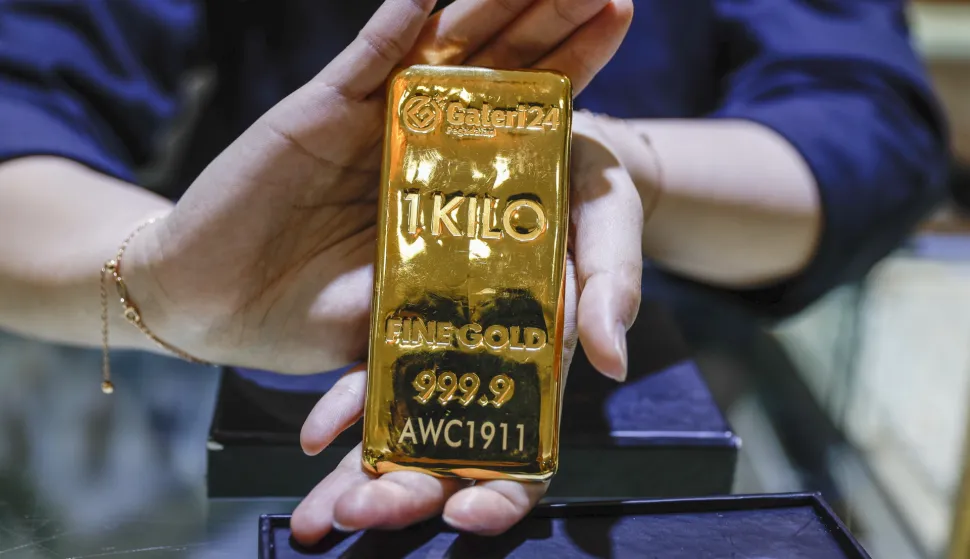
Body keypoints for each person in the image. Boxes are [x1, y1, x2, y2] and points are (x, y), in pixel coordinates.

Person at [0, 0, 948, 546]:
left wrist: (630, 168)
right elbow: (24, 88)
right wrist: (161, 281)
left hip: (664, 392)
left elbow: (868, 126)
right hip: (258, 389)